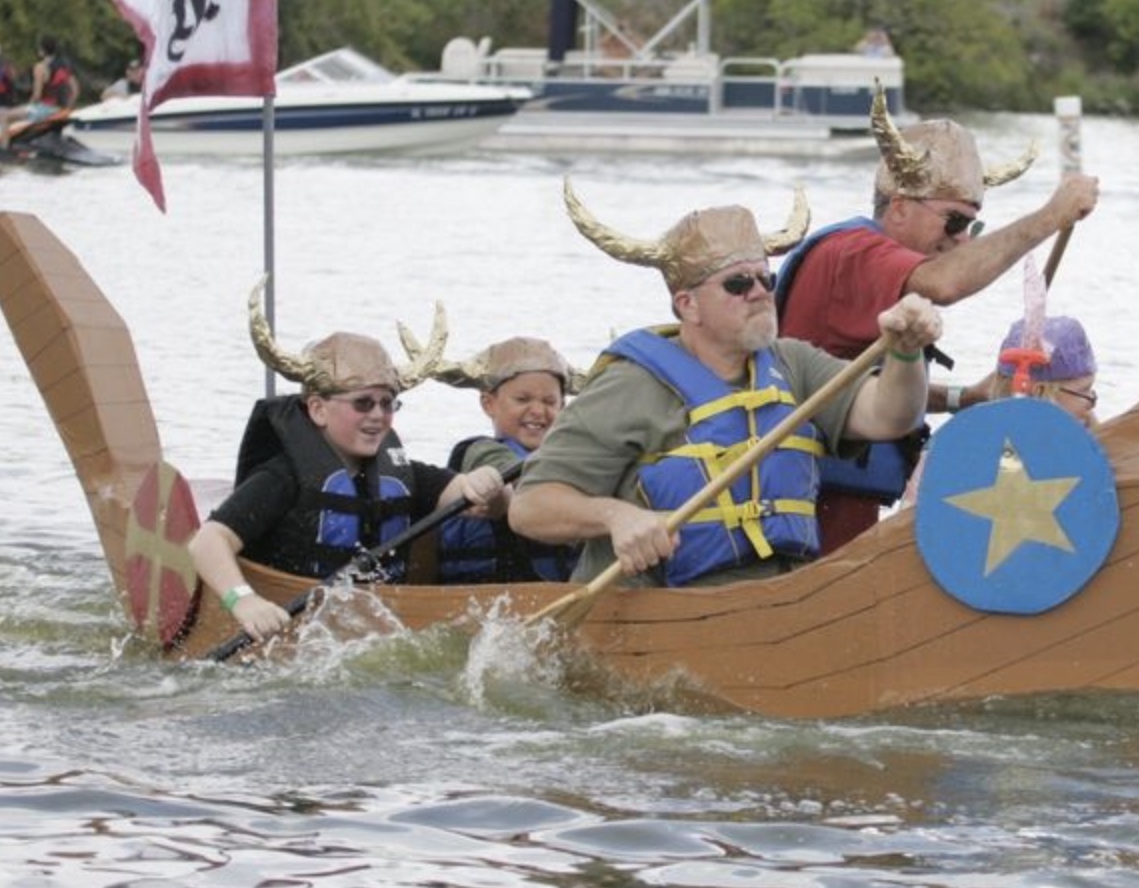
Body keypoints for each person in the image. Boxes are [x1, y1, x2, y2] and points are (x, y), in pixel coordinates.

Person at [506, 181, 942, 587]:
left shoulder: (795, 365)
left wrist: (905, 354)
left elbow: (891, 415)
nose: (758, 292)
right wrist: (616, 517)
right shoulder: (631, 383)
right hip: (662, 608)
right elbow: (530, 508)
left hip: (783, 598)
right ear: (688, 304)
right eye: (737, 283)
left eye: (765, 278)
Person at [774, 87, 1099, 553]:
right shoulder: (852, 253)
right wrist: (1051, 216)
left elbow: (858, 386)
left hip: (837, 505)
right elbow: (944, 285)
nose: (962, 240)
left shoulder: (867, 263)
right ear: (901, 205)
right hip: (807, 513)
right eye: (952, 222)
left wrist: (963, 397)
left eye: (971, 226)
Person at [187, 300, 509, 642]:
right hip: (288, 625)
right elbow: (206, 541)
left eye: (388, 403)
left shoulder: (402, 474)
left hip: (369, 632)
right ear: (318, 409)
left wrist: (490, 487)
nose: (378, 415)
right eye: (363, 403)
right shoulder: (281, 477)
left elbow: (480, 501)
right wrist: (245, 601)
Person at [429, 336, 585, 583]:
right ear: (488, 403)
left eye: (549, 402)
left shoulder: (575, 460)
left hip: (554, 597)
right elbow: (524, 480)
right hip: (480, 596)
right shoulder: (478, 451)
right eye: (522, 399)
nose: (537, 410)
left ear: (563, 409)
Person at [901, 313, 1099, 505]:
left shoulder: (951, 443)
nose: (1091, 403)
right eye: (1085, 391)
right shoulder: (1074, 452)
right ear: (1039, 392)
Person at [0, 35, 80, 141]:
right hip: (61, 109)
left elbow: (36, 95)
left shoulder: (40, 67)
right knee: (17, 113)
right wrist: (67, 108)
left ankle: (4, 149)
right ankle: (18, 139)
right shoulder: (64, 67)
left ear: (42, 51)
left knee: (3, 114)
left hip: (45, 109)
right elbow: (75, 90)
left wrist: (28, 106)